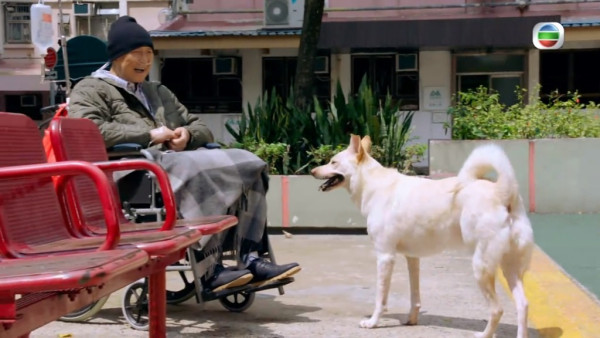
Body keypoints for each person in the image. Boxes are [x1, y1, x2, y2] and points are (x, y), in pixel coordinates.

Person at [68, 15, 300, 292]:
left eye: (149, 53)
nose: (144, 60)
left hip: (172, 162)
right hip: (132, 170)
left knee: (250, 164)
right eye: (137, 54)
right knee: (197, 167)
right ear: (118, 57)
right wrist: (149, 135)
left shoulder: (157, 91)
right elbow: (88, 130)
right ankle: (209, 268)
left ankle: (251, 258)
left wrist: (187, 135)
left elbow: (200, 126)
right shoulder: (90, 88)